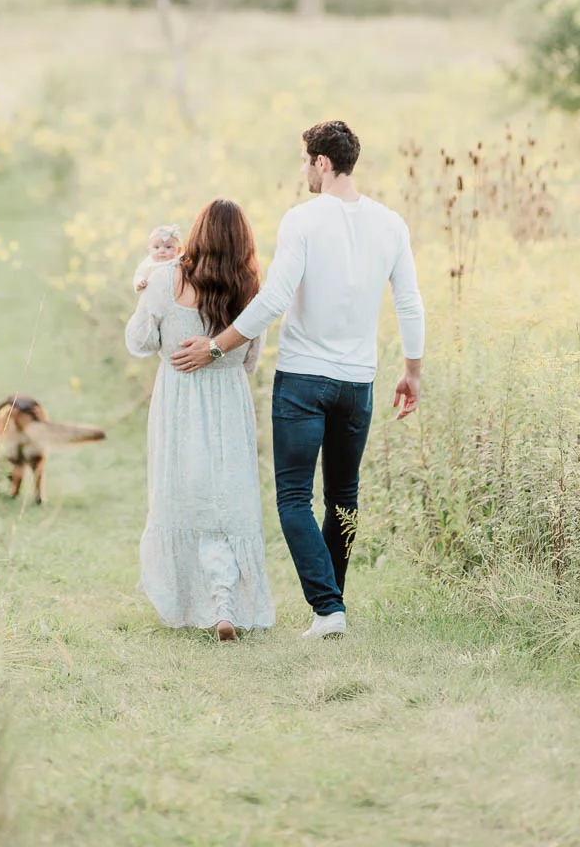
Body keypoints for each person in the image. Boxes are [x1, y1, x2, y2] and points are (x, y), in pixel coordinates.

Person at [171, 120, 424, 639]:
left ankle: (328, 608)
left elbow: (274, 300)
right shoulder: (391, 224)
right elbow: (409, 302)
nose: (304, 170)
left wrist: (217, 344)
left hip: (305, 379)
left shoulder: (303, 220)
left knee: (293, 497)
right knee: (343, 497)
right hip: (359, 383)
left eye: (305, 161)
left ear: (322, 163)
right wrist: (412, 372)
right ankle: (330, 607)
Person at [125, 199, 275, 641]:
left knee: (182, 495)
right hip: (228, 400)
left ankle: (186, 600)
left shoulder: (164, 279)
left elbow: (138, 342)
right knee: (226, 502)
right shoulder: (250, 289)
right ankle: (225, 604)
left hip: (178, 400)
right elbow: (250, 359)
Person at [133, 222, 181, 293]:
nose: (161, 251)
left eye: (168, 247)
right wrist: (140, 282)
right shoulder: (148, 263)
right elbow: (139, 274)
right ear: (149, 250)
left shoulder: (179, 262)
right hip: (155, 295)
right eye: (156, 247)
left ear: (178, 250)